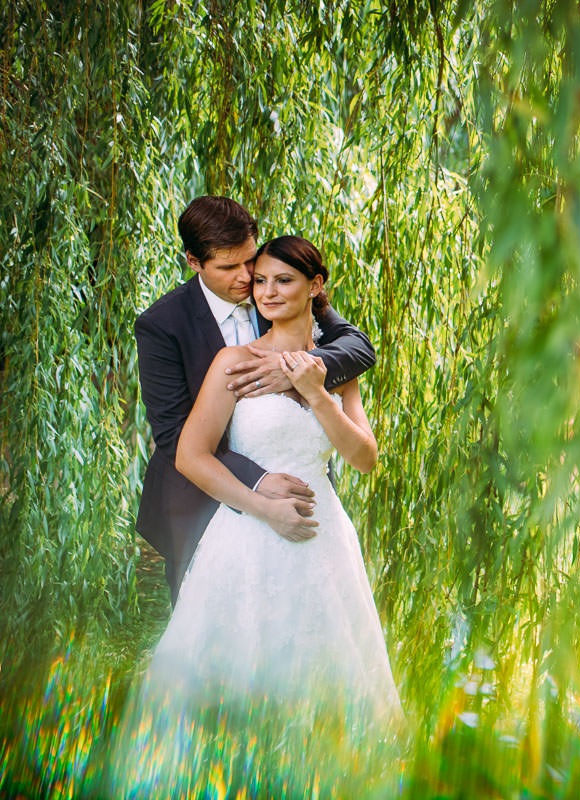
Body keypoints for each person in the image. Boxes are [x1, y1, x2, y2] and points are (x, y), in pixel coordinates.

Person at [106, 236, 398, 795]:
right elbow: (190, 455)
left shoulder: (337, 364)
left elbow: (364, 458)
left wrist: (316, 392)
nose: (266, 292)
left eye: (282, 281)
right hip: (246, 534)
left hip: (323, 540)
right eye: (260, 281)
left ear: (315, 286)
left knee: (323, 671)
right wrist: (263, 507)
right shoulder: (234, 362)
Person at [134, 196, 375, 602]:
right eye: (229, 267)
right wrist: (259, 482)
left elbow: (358, 348)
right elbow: (176, 437)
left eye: (250, 261)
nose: (248, 278)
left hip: (304, 500)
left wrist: (295, 371)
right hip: (199, 498)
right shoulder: (162, 325)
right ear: (194, 262)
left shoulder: (278, 291)